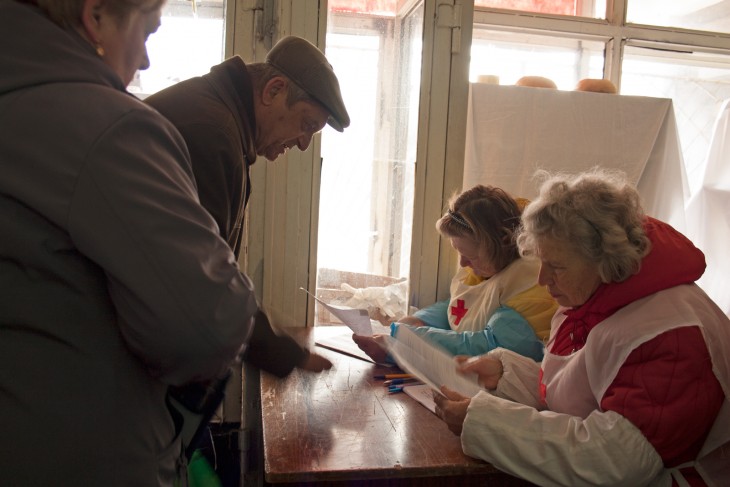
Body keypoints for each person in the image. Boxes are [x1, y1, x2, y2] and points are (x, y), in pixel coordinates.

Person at [0, 1, 326, 485]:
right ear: (96, 17)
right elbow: (202, 320)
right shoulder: (160, 129)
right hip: (85, 447)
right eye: (147, 31)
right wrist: (278, 348)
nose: (147, 62)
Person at [433, 169, 730, 486]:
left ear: (603, 258)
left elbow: (613, 461)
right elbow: (587, 394)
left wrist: (485, 423)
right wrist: (505, 374)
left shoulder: (671, 334)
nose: (542, 279)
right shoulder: (597, 296)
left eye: (556, 266)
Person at [144, 35, 350, 477]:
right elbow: (205, 285)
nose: (301, 145)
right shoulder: (211, 134)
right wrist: (283, 354)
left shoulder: (217, 119)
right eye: (307, 125)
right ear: (273, 91)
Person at [353, 185, 557, 363]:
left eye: (471, 256)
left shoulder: (530, 284)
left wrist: (406, 340)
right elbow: (461, 305)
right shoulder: (492, 263)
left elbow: (488, 346)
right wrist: (422, 320)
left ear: (503, 241)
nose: (463, 263)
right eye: (459, 252)